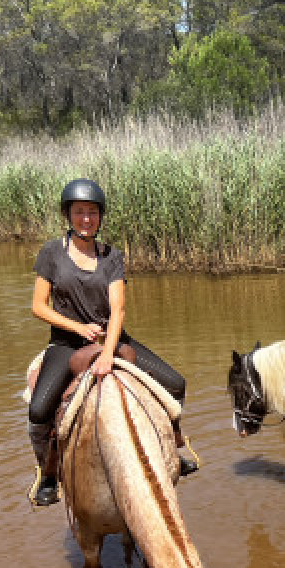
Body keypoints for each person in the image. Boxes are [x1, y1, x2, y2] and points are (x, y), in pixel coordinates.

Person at [27, 178, 198, 507]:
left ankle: (175, 447)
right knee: (39, 410)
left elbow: (118, 308)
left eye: (92, 212)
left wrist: (108, 353)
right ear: (69, 215)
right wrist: (77, 327)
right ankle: (47, 473)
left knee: (176, 383)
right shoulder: (51, 252)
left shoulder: (111, 257)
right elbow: (38, 307)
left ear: (100, 217)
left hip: (112, 338)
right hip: (66, 343)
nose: (86, 219)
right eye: (80, 212)